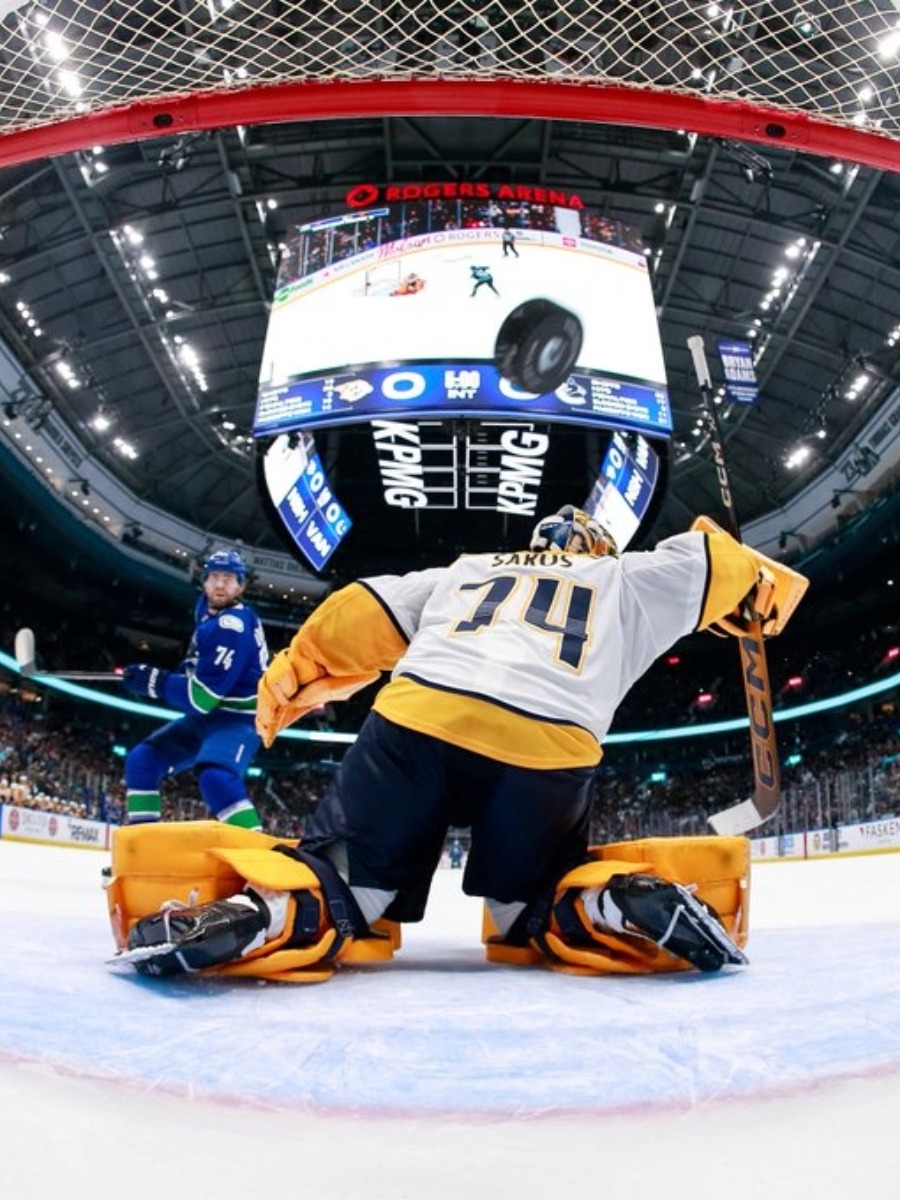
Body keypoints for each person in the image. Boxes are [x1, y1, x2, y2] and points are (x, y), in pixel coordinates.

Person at [109, 508, 806, 983]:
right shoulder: (627, 578)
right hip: (547, 745)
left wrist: (293, 677)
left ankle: (269, 912)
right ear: (598, 548)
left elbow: (360, 610)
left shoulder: (466, 568)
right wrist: (752, 589)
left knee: (348, 882)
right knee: (525, 910)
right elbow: (716, 562)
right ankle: (610, 906)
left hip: (419, 721)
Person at [120, 548, 269, 830]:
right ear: (204, 581)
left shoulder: (231, 626)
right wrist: (169, 676)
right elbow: (196, 666)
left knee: (216, 778)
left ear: (241, 585)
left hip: (239, 719)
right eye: (214, 577)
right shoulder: (205, 609)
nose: (221, 584)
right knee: (142, 761)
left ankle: (257, 857)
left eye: (229, 578)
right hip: (207, 719)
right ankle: (143, 848)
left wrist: (154, 682)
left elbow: (203, 698)